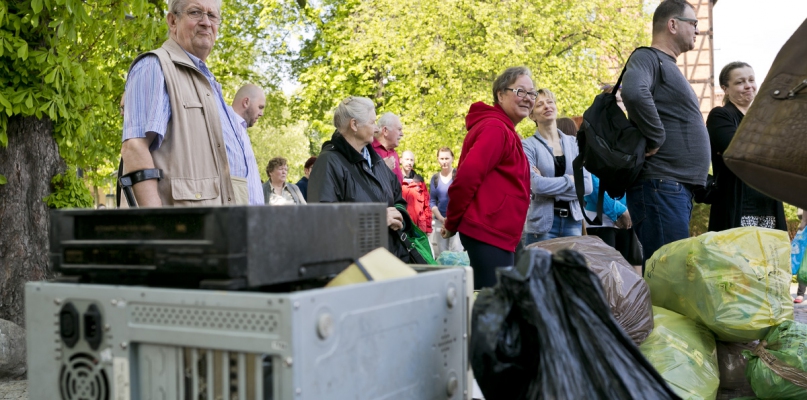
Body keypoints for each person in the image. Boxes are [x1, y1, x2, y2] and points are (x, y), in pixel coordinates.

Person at [120, 0, 260, 207]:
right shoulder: (154, 67)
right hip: (181, 230)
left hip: (216, 225)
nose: (206, 22)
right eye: (195, 12)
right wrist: (156, 226)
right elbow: (135, 147)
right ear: (172, 21)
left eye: (212, 16)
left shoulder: (208, 82)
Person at [621, 0, 711, 267]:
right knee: (669, 276)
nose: (697, 31)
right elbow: (634, 92)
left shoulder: (667, 65)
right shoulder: (647, 57)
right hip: (661, 187)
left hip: (671, 188)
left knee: (672, 277)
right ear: (673, 25)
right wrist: (657, 136)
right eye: (693, 23)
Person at [441, 66, 533, 289]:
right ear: (500, 95)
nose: (528, 99)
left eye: (532, 93)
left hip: (499, 234)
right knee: (493, 306)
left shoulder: (505, 130)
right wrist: (452, 221)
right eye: (520, 91)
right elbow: (466, 177)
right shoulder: (495, 128)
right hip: (488, 233)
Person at [308, 97, 412, 262]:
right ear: (354, 125)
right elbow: (322, 222)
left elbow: (398, 199)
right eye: (372, 122)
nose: (377, 128)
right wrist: (375, 219)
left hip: (389, 261)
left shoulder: (376, 160)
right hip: (355, 268)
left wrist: (400, 218)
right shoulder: (328, 163)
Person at [706, 62, 786, 233]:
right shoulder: (720, 116)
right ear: (725, 88)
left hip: (768, 206)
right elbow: (738, 152)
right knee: (737, 258)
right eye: (740, 82)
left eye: (751, 80)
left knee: (768, 258)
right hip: (738, 205)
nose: (748, 86)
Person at [521, 88, 592, 245]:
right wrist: (571, 180)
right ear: (531, 115)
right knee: (541, 270)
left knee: (570, 270)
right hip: (542, 226)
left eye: (550, 102)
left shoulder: (575, 143)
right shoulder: (527, 146)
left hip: (573, 223)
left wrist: (549, 185)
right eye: (540, 104)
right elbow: (536, 185)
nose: (547, 106)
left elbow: (586, 186)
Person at [230, 84, 267, 204]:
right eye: (260, 107)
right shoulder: (228, 130)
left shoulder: (241, 130)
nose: (261, 113)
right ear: (246, 102)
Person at [430, 147, 463, 258]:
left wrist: (452, 218)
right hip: (441, 222)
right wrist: (441, 218)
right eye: (442, 158)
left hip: (457, 222)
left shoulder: (459, 176)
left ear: (452, 158)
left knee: (457, 253)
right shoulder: (435, 178)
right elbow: (432, 202)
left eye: (447, 158)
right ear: (438, 159)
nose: (444, 161)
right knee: (442, 254)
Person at [399, 150, 432, 234]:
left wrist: (428, 227)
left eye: (411, 160)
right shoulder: (396, 179)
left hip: (419, 227)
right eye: (407, 159)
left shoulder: (419, 180)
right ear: (401, 160)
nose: (409, 162)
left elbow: (427, 205)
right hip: (402, 225)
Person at [373, 112, 404, 184]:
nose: (402, 134)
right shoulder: (368, 149)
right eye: (399, 129)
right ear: (385, 131)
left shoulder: (394, 154)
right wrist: (382, 167)